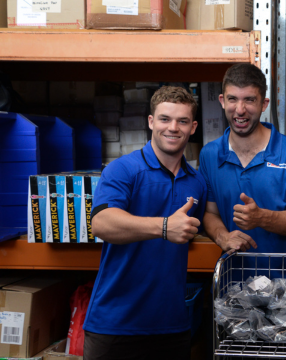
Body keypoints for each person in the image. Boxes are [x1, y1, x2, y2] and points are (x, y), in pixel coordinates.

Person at [83, 86, 207, 360]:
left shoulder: (196, 182)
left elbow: (205, 220)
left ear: (193, 127)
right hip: (115, 325)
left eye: (182, 121)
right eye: (164, 119)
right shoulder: (123, 169)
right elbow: (102, 223)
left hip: (172, 326)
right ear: (151, 122)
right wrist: (164, 227)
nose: (172, 128)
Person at [199, 63, 286, 272]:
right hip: (234, 280)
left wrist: (262, 218)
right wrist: (223, 237)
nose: (240, 109)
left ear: (264, 104)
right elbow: (210, 213)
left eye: (249, 100)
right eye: (232, 99)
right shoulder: (210, 155)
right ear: (222, 101)